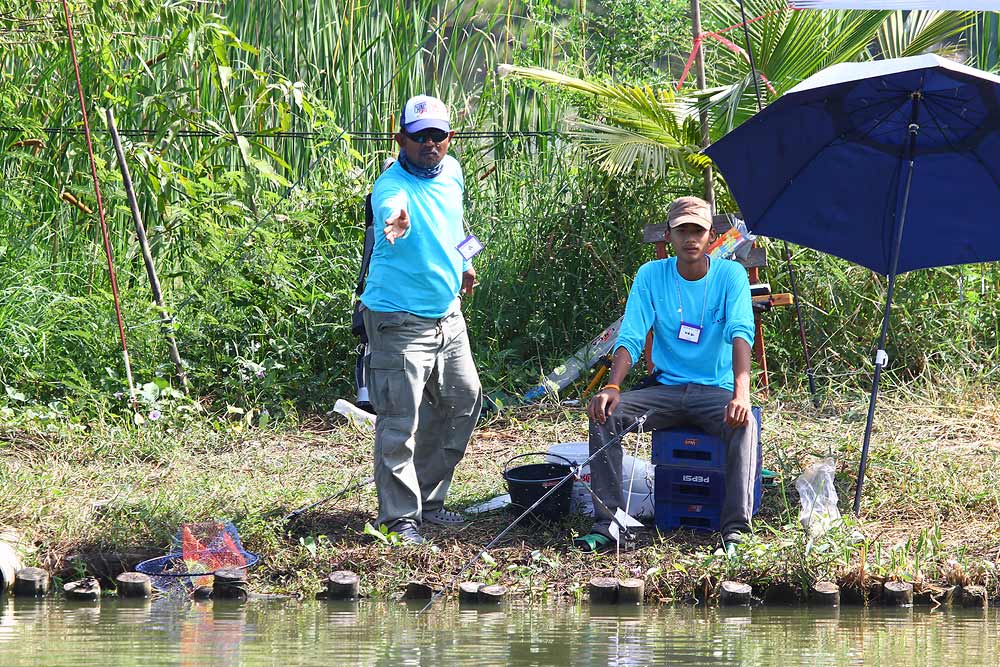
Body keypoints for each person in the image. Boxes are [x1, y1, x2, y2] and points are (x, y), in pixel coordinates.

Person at [574, 196, 758, 554]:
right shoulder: (651, 275)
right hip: (666, 388)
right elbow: (631, 334)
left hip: (714, 390)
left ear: (710, 236)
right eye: (682, 231)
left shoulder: (730, 275)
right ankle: (609, 523)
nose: (690, 239)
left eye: (698, 231)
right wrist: (612, 386)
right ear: (670, 235)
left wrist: (741, 394)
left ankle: (735, 530)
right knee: (604, 414)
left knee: (744, 424)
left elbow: (741, 333)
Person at [360, 94, 482, 545]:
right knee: (399, 421)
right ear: (401, 140)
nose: (430, 144)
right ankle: (399, 519)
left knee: (463, 400)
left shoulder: (452, 172)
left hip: (448, 312)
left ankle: (428, 501)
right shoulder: (390, 188)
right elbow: (395, 213)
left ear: (450, 138)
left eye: (439, 135)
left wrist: (465, 259)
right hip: (399, 318)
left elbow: (454, 220)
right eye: (420, 136)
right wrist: (396, 221)